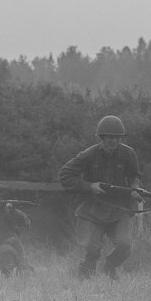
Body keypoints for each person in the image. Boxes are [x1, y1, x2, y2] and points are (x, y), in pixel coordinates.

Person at [58, 115, 142, 279]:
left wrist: (135, 188)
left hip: (120, 208)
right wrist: (89, 187)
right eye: (109, 137)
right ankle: (85, 278)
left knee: (125, 244)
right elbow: (64, 174)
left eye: (117, 138)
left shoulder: (128, 153)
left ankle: (110, 266)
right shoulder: (88, 154)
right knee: (92, 248)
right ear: (102, 137)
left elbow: (134, 176)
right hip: (93, 209)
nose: (113, 141)